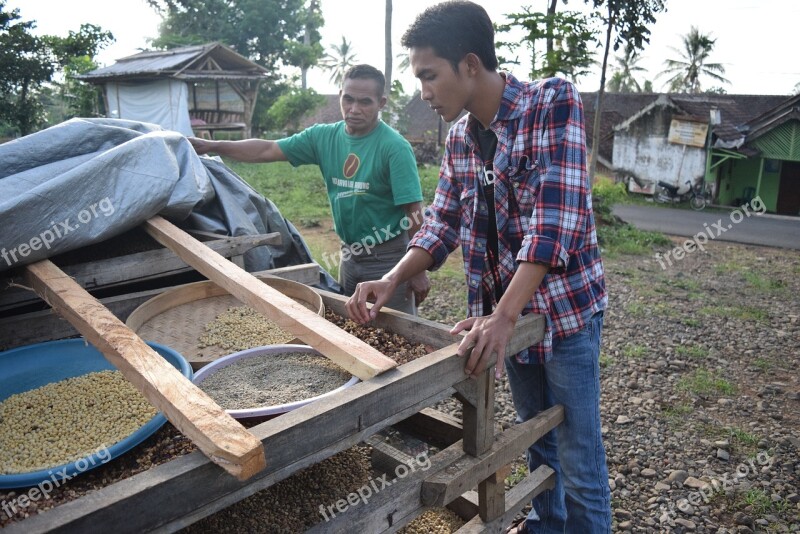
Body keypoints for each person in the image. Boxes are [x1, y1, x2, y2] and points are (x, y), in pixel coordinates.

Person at [345, 2, 610, 532]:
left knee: (579, 458)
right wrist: (392, 278)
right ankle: (545, 527)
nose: (423, 91)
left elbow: (555, 222)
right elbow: (440, 223)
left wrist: (504, 316)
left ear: (469, 64)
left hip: (562, 314)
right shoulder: (462, 139)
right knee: (537, 440)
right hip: (502, 319)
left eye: (429, 75)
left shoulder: (549, 102)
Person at [189, 64, 429, 314]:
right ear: (340, 96)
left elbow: (413, 212)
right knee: (355, 327)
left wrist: (417, 269)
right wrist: (212, 145)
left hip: (388, 257)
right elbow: (267, 149)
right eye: (348, 99)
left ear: (381, 103)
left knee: (395, 332)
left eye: (365, 102)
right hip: (350, 254)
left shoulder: (394, 147)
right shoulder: (323, 137)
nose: (354, 109)